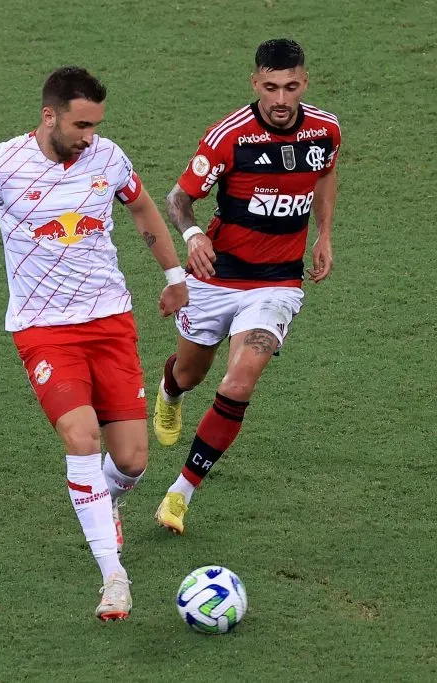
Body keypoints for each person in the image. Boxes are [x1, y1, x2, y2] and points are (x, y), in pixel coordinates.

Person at [0, 67, 189, 620]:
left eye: (95, 125)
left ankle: (102, 497)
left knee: (133, 461)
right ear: (49, 115)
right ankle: (113, 575)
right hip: (42, 329)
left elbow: (141, 208)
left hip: (110, 322)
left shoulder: (108, 158)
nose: (89, 136)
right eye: (80, 125)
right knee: (81, 434)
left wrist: (173, 275)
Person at [153, 39, 341, 534]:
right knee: (191, 375)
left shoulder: (325, 130)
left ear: (305, 82)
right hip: (216, 278)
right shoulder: (228, 137)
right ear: (255, 83)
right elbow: (177, 198)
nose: (282, 99)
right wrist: (192, 234)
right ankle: (170, 390)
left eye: (292, 87)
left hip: (276, 284)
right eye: (272, 87)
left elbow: (325, 175)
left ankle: (180, 493)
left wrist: (323, 235)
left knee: (239, 382)